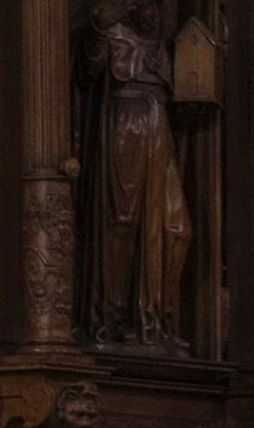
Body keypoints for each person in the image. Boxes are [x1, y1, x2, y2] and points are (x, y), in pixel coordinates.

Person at [77, 0, 192, 350]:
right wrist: (99, 27)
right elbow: (89, 68)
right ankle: (116, 316)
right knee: (122, 221)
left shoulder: (164, 42)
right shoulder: (114, 31)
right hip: (126, 121)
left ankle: (158, 317)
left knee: (177, 228)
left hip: (160, 125)